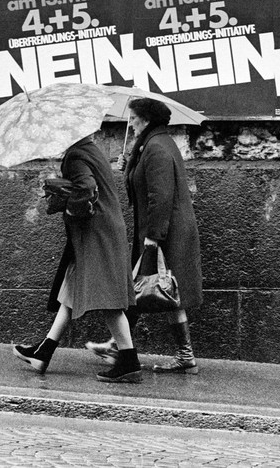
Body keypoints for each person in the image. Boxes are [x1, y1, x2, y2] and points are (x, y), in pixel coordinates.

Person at [12, 134, 142, 383]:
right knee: (71, 288)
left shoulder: (75, 156)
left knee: (108, 298)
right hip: (104, 230)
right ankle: (44, 351)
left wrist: (69, 206)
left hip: (95, 233)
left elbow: (87, 187)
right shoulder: (91, 149)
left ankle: (129, 360)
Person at [87, 98, 203, 374]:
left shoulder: (157, 148)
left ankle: (180, 355)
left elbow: (160, 196)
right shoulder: (153, 144)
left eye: (134, 118)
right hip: (161, 231)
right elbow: (144, 184)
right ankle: (120, 345)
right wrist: (128, 166)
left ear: (147, 120)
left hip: (164, 233)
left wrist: (153, 237)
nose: (131, 123)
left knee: (161, 289)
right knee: (153, 288)